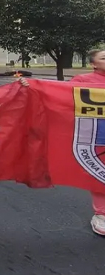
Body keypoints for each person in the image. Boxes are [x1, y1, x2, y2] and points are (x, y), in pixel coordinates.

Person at [70, 49, 105, 236]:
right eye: (104, 58)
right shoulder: (82, 81)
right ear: (94, 64)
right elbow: (62, 98)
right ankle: (101, 215)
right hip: (96, 138)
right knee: (100, 175)